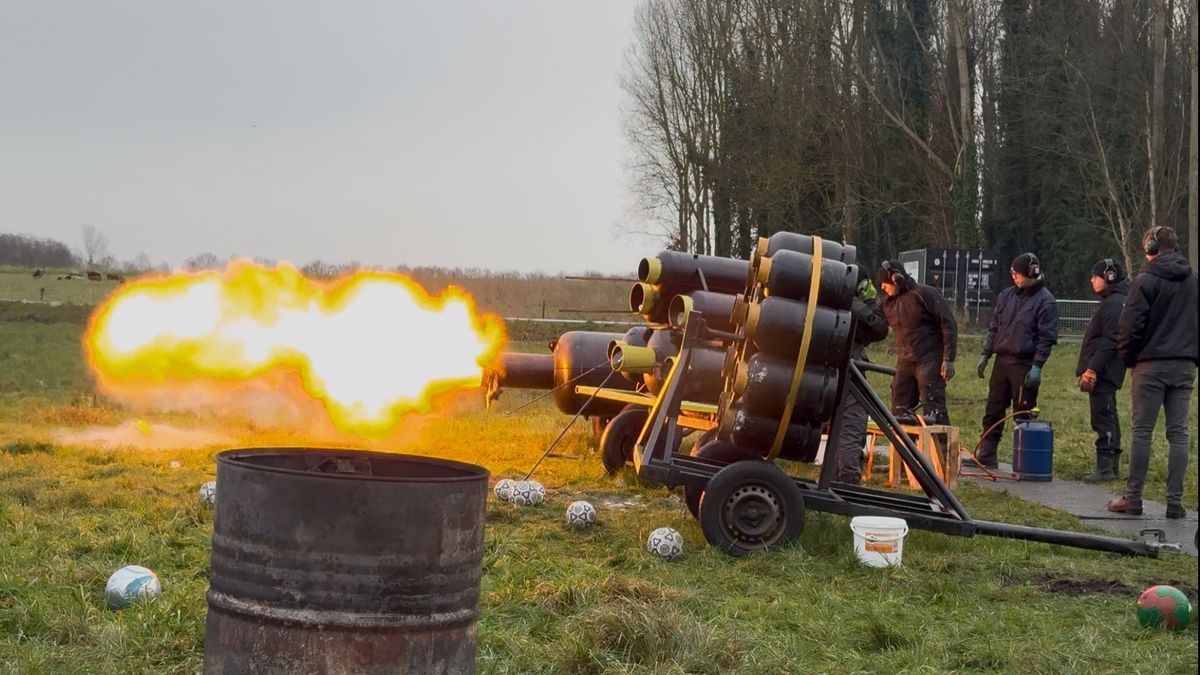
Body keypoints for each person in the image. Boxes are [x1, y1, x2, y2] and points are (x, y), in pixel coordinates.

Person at [1107, 227, 1197, 518]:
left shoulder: (1145, 280)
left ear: (1152, 246)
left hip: (1150, 365)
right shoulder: (1193, 282)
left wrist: (1129, 359)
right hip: (1184, 365)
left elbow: (1129, 325)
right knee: (1179, 434)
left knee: (1142, 431)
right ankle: (1175, 502)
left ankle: (1133, 498)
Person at [973, 253, 1059, 469]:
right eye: (1012, 273)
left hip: (1024, 364)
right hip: (1001, 362)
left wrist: (1037, 366)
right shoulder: (1006, 296)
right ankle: (987, 452)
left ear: (1031, 274)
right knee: (993, 408)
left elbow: (1046, 338)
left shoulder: (1046, 301)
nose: (1014, 277)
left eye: (1017, 274)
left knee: (1023, 413)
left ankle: (1026, 459)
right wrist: (986, 353)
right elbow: (994, 327)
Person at [877, 260, 957, 426]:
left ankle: (942, 449)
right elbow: (872, 322)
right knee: (899, 408)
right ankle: (903, 448)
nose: (882, 288)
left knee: (933, 408)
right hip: (904, 362)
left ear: (895, 278)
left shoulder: (924, 293)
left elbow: (948, 323)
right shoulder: (887, 303)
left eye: (885, 284)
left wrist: (948, 359)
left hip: (930, 359)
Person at [834, 266, 889, 484]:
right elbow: (879, 329)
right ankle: (848, 479)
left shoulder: (831, 299)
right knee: (851, 424)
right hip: (849, 371)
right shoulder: (854, 305)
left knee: (839, 428)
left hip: (832, 370)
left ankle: (834, 477)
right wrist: (871, 303)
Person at [1076, 258, 1129, 482]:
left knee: (1103, 417)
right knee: (1109, 415)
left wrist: (1092, 369)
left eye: (1095, 276)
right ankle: (1111, 465)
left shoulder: (1114, 304)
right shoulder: (1114, 302)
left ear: (1108, 277)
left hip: (1104, 370)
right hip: (1107, 369)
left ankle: (1105, 467)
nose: (1092, 280)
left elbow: (1109, 341)